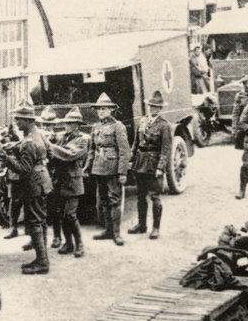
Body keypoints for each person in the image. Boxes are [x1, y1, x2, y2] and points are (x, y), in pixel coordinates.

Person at [1, 105, 54, 274]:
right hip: (42, 181)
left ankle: (42, 262)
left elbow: (24, 169)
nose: (16, 123)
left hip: (33, 185)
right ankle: (41, 258)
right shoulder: (38, 135)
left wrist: (7, 159)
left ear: (28, 120)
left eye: (19, 119)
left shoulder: (29, 143)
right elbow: (50, 153)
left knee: (35, 221)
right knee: (41, 220)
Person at [86, 93, 131, 246]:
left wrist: (123, 172)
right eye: (99, 109)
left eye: (104, 109)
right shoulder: (96, 127)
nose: (100, 112)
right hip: (98, 168)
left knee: (115, 200)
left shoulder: (118, 126)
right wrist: (87, 167)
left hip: (113, 169)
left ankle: (117, 234)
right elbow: (92, 149)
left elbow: (125, 151)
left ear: (111, 110)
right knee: (103, 201)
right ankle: (108, 230)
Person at [45, 108, 89, 257]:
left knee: (70, 215)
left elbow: (69, 154)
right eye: (65, 123)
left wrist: (48, 144)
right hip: (59, 181)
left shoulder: (83, 139)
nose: (66, 126)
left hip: (72, 183)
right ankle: (68, 243)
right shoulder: (61, 137)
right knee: (61, 214)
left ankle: (79, 244)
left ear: (77, 125)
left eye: (69, 123)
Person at [128, 92, 172, 240]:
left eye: (155, 107)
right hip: (140, 163)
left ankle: (155, 228)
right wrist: (131, 159)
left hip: (153, 164)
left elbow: (166, 148)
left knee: (155, 197)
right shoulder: (142, 121)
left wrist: (160, 167)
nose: (152, 108)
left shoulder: (164, 125)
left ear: (160, 109)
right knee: (140, 196)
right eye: (151, 106)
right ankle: (142, 225)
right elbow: (136, 143)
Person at [39, 106, 63, 249]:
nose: (46, 127)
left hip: (54, 175)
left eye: (49, 124)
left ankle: (57, 236)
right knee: (38, 208)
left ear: (54, 125)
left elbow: (58, 155)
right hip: (40, 176)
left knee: (54, 208)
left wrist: (50, 142)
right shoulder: (37, 136)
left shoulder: (59, 138)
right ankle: (38, 238)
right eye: (44, 124)